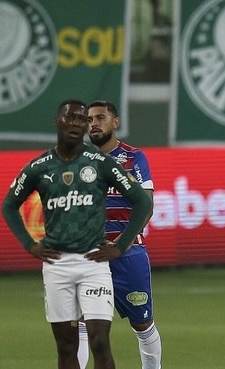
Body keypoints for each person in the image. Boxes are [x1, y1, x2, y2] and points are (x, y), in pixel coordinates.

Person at [1, 100, 152, 369]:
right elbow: (9, 205)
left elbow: (143, 201)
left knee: (100, 340)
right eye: (70, 119)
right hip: (57, 265)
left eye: (82, 120)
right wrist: (29, 244)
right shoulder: (40, 166)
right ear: (56, 122)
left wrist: (120, 246)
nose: (77, 124)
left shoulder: (101, 163)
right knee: (66, 345)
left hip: (93, 263)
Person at [76, 100, 162, 369]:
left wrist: (120, 245)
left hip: (128, 252)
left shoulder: (134, 158)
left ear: (116, 122)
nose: (94, 124)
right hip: (89, 255)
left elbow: (145, 205)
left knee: (142, 323)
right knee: (79, 322)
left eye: (100, 118)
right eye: (89, 120)